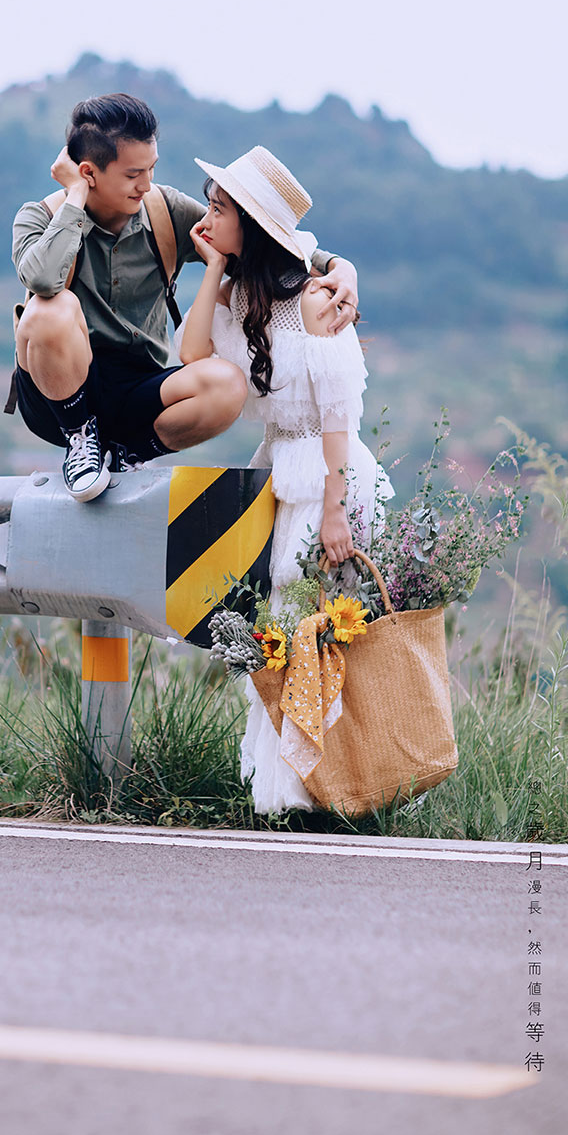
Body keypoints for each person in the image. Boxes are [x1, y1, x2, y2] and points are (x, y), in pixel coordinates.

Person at [175, 144, 392, 813]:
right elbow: (191, 353)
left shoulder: (317, 300)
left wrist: (335, 511)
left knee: (318, 627)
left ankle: (332, 785)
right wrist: (214, 267)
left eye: (219, 209)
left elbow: (339, 417)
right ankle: (295, 789)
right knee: (281, 625)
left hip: (329, 475)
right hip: (281, 471)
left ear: (252, 223)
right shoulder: (240, 297)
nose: (207, 218)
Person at [11, 94, 362, 500]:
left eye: (151, 169)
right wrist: (75, 197)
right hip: (57, 397)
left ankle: (125, 456)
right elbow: (43, 279)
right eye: (133, 174)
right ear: (88, 172)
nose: (146, 184)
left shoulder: (164, 210)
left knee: (227, 384)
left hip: (139, 388)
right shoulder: (38, 217)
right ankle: (80, 441)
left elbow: (254, 237)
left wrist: (335, 264)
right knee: (51, 309)